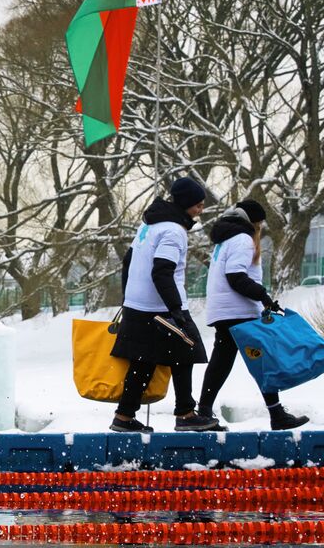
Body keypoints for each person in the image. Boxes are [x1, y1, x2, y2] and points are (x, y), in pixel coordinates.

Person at [111, 177, 220, 433]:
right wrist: (175, 311)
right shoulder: (173, 230)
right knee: (186, 352)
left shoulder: (148, 226)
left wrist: (128, 298)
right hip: (160, 307)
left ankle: (124, 417)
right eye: (197, 205)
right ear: (184, 203)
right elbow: (162, 271)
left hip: (138, 305)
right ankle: (185, 414)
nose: (200, 210)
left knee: (143, 361)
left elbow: (128, 260)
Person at [197, 200, 310, 430]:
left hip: (226, 310)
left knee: (223, 361)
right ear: (254, 222)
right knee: (261, 360)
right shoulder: (242, 239)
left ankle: (205, 412)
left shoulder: (227, 238)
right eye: (259, 224)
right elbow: (236, 276)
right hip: (238, 310)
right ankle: (276, 414)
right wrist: (263, 296)